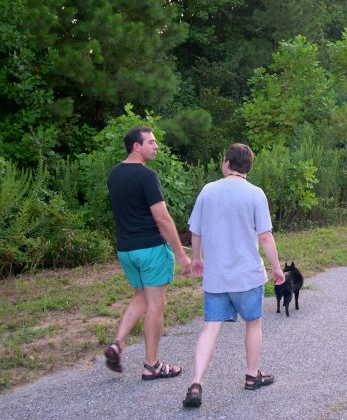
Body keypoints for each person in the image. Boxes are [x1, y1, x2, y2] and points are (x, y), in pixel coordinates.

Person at [183, 143, 285, 408]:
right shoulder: (255, 194)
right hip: (247, 276)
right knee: (253, 323)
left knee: (210, 327)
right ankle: (252, 375)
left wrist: (197, 258)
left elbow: (196, 231)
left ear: (226, 163)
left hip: (217, 276)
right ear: (248, 168)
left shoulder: (208, 190)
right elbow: (264, 235)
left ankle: (196, 382)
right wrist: (275, 266)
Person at [104, 126, 191, 381]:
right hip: (151, 249)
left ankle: (117, 344)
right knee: (156, 303)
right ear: (136, 146)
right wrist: (182, 254)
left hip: (126, 250)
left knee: (140, 296)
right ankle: (152, 365)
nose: (156, 146)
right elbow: (162, 219)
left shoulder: (114, 174)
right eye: (151, 142)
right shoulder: (147, 176)